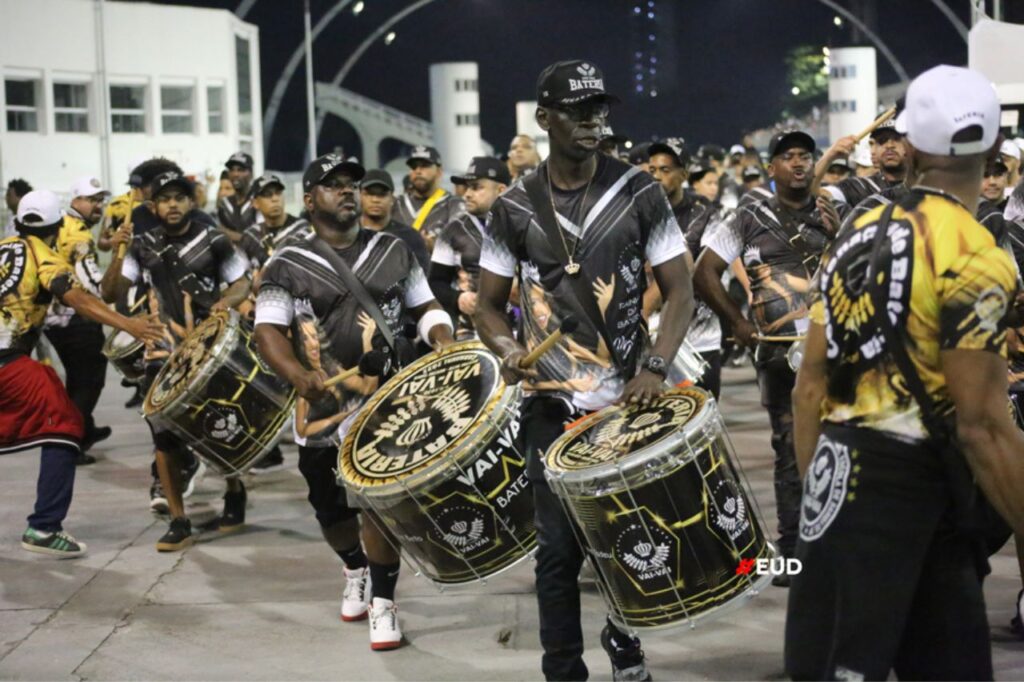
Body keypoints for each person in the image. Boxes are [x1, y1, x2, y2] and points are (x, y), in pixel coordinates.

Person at [787, 64, 1024, 680]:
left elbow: (809, 385)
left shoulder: (855, 234)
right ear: (995, 147)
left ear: (912, 148)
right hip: (926, 506)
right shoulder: (977, 255)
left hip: (837, 485)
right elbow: (983, 428)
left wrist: (823, 500)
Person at [474, 59, 694, 682]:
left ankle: (625, 639)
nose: (594, 120)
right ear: (545, 119)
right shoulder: (514, 207)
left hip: (630, 399)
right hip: (552, 405)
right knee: (557, 553)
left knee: (636, 535)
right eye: (578, 110)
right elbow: (490, 308)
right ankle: (563, 670)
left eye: (601, 108)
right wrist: (506, 348)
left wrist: (655, 366)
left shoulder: (639, 191)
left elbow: (680, 292)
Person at [253, 153, 456, 650]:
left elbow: (425, 306)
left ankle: (384, 604)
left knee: (379, 505)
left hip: (387, 402)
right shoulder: (286, 263)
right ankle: (354, 568)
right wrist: (298, 374)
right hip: (321, 411)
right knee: (330, 512)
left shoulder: (394, 249)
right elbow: (267, 331)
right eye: (333, 185)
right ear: (309, 199)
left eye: (353, 184)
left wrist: (443, 337)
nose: (347, 191)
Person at [693, 130, 843, 583]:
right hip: (779, 357)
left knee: (842, 443)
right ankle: (795, 552)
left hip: (836, 352)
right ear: (772, 166)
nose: (799, 164)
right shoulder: (746, 217)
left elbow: (863, 266)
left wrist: (839, 235)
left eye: (806, 156)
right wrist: (737, 324)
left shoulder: (835, 212)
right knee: (788, 447)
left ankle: (837, 545)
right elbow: (704, 272)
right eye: (788, 157)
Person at [1, 190, 163, 557]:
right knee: (65, 424)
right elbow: (82, 298)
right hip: (6, 360)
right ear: (59, 224)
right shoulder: (46, 257)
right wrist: (128, 324)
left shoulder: (4, 247)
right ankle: (44, 527)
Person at [101, 171, 252, 550]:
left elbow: (242, 282)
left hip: (209, 350)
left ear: (190, 203)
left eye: (179, 198)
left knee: (219, 425)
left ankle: (234, 490)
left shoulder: (213, 239)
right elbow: (111, 293)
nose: (172, 204)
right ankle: (179, 519)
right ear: (153, 206)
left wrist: (226, 302)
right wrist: (117, 252)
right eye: (164, 199)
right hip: (162, 353)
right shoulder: (143, 245)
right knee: (163, 438)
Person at [644, 139, 725, 396]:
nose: (657, 177)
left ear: (684, 175)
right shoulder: (638, 213)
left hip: (700, 336)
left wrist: (643, 306)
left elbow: (695, 269)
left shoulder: (706, 213)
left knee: (704, 420)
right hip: (653, 340)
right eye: (653, 170)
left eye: (666, 170)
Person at [43, 176, 113, 466]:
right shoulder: (79, 236)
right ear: (75, 201)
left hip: (52, 318)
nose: (98, 206)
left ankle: (85, 428)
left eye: (100, 200)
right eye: (92, 200)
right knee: (88, 382)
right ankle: (70, 443)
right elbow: (93, 285)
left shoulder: (60, 224)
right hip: (75, 319)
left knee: (76, 378)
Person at [429, 156, 509, 339]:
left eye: (477, 187)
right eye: (467, 187)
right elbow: (435, 283)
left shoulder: (523, 226)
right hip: (471, 333)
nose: (466, 194)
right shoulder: (452, 231)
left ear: (501, 190)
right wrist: (458, 298)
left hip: (520, 329)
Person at [822, 119, 908, 208]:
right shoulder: (858, 187)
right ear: (874, 148)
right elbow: (815, 195)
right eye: (882, 140)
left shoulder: (921, 187)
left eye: (897, 139)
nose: (890, 145)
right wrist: (828, 156)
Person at [358, 169, 430, 271]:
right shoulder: (346, 235)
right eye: (369, 194)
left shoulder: (410, 237)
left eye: (382, 194)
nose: (375, 200)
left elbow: (420, 281)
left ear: (392, 199)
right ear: (359, 196)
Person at [394, 145, 462, 251]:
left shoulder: (453, 205)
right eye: (414, 167)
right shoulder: (396, 204)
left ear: (439, 171)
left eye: (424, 166)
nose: (418, 171)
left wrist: (435, 248)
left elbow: (463, 246)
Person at [217, 151, 257, 242]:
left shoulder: (259, 200)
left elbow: (259, 239)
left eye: (241, 170)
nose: (235, 174)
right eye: (232, 170)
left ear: (251, 174)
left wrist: (227, 233)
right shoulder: (225, 204)